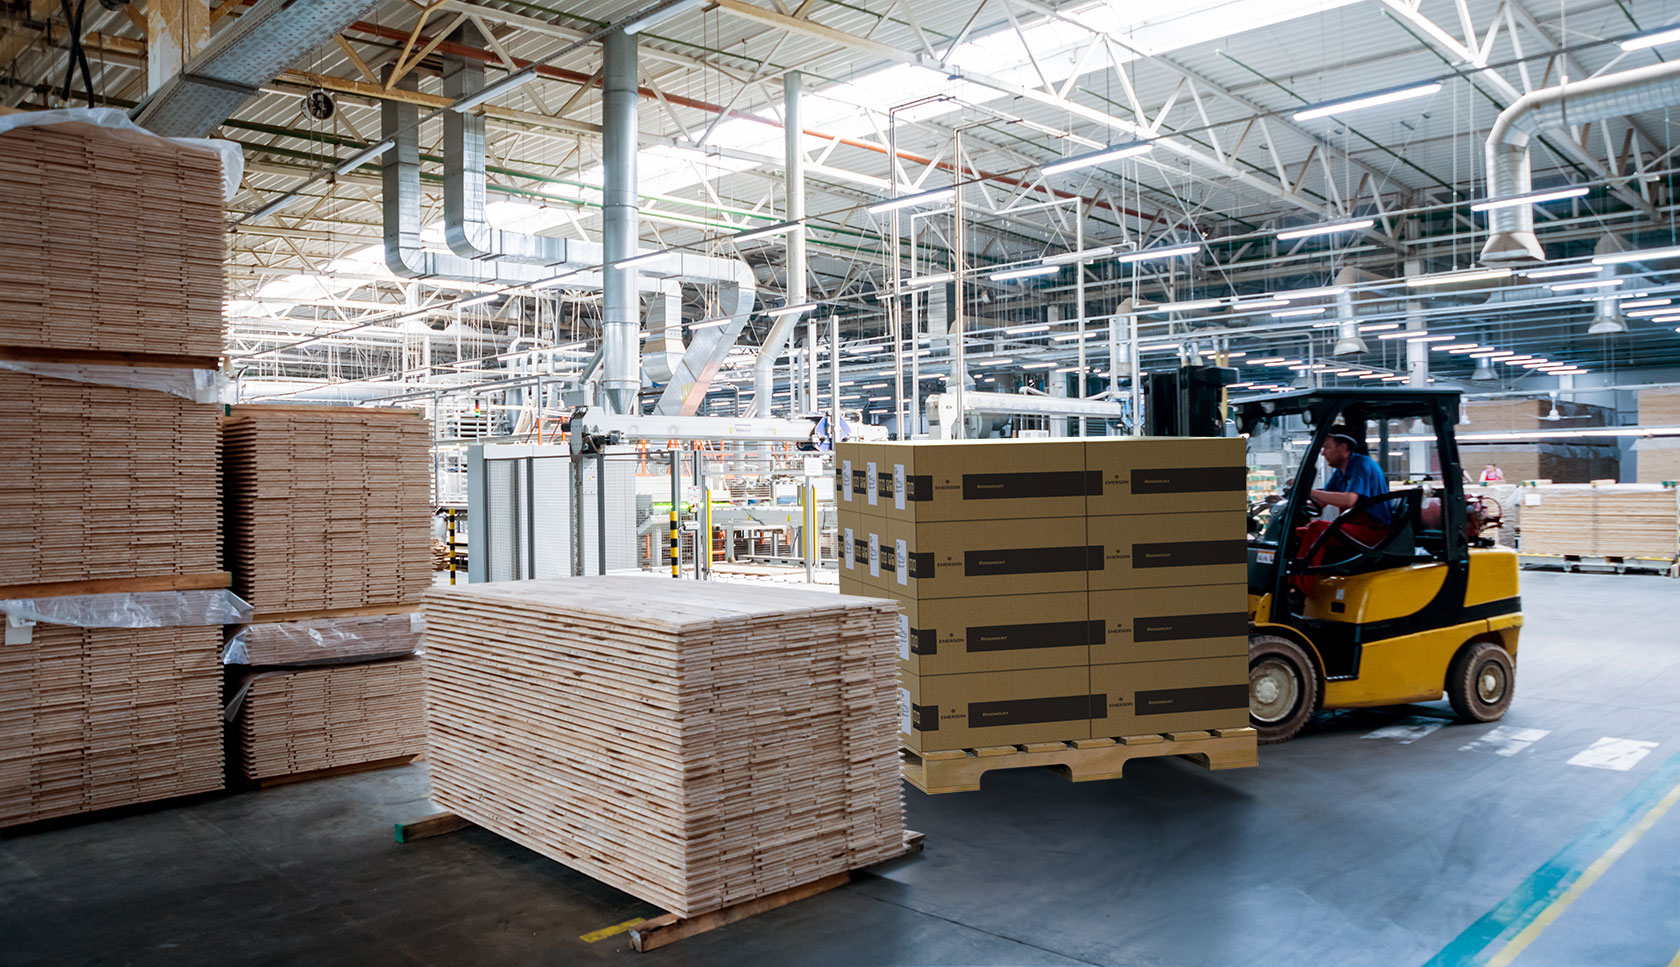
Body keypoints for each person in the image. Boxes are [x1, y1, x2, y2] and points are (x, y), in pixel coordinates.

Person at [1309, 426, 1391, 527]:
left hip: (1373, 528)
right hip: (1353, 524)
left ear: (1343, 447)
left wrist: (1309, 491)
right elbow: (1320, 503)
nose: (1323, 453)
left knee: (1316, 528)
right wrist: (1294, 500)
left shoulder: (1361, 464)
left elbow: (1349, 500)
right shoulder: (1340, 472)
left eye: (1327, 448)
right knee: (1302, 532)